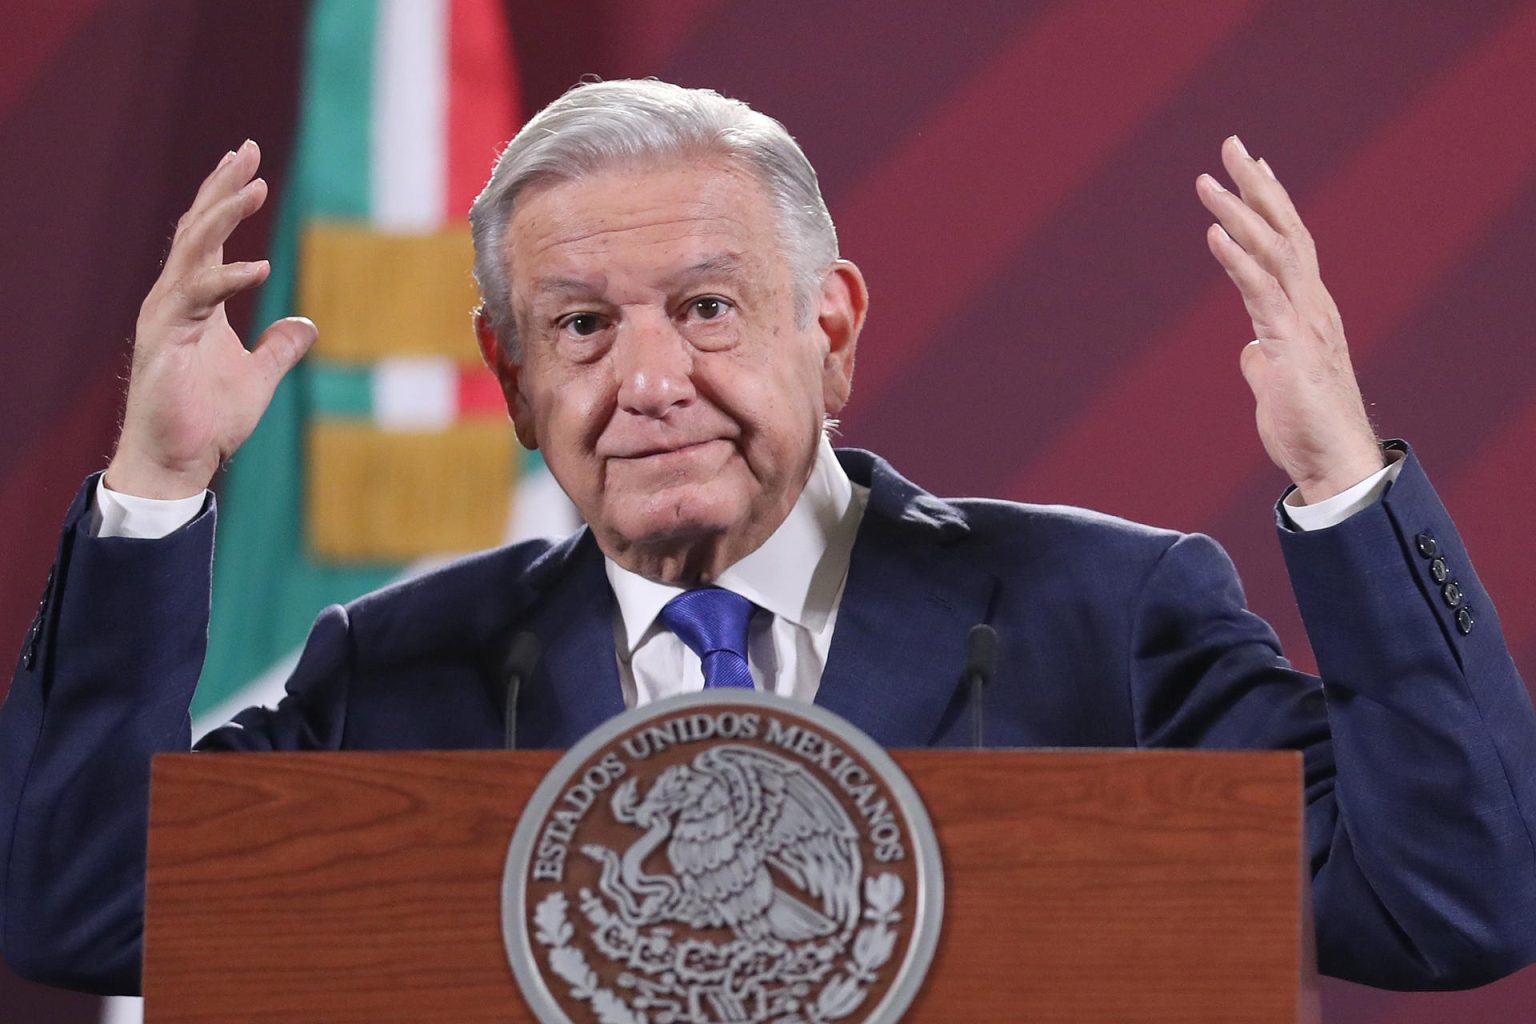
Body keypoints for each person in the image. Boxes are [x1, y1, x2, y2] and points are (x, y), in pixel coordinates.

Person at [3, 79, 1535, 997]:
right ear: (514, 384)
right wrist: (156, 485)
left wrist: (1343, 479)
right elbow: (78, 913)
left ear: (834, 328)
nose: (652, 378)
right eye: (583, 326)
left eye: (710, 308)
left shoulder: (1107, 614)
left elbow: (1448, 905)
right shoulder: (400, 670)